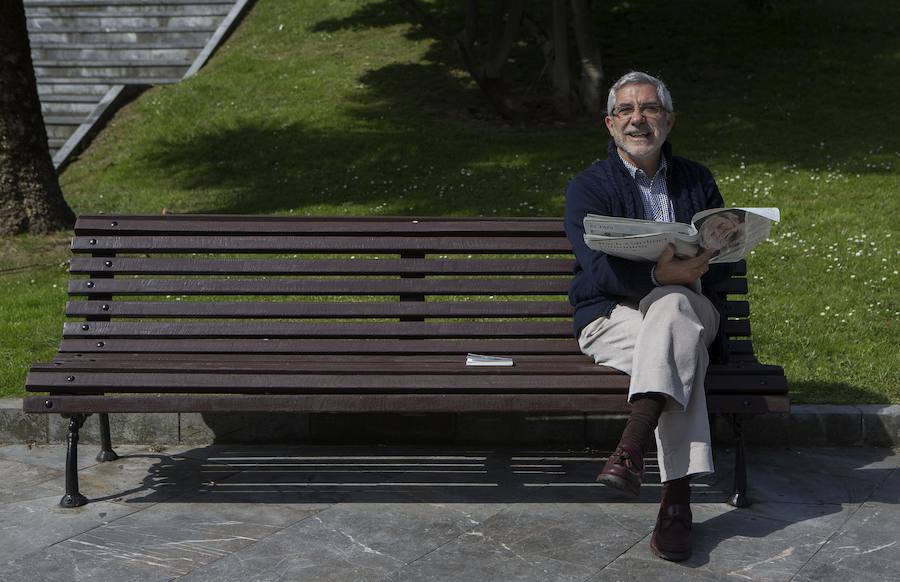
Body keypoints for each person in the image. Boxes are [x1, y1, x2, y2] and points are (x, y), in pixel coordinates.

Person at [564, 71, 732, 562]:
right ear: (610, 124)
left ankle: (629, 448)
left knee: (676, 312)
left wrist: (709, 260)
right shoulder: (588, 187)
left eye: (650, 108)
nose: (638, 119)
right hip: (612, 319)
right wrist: (662, 278)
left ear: (669, 120)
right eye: (626, 111)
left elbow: (725, 261)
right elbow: (597, 271)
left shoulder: (697, 180)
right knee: (677, 342)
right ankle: (676, 503)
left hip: (692, 306)